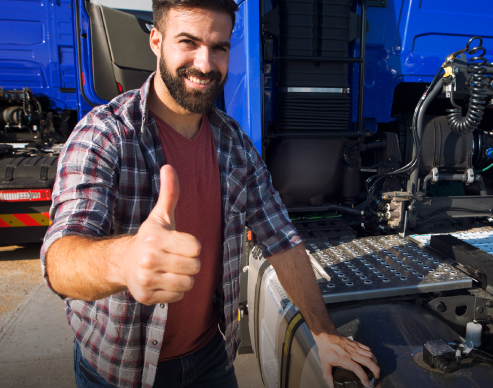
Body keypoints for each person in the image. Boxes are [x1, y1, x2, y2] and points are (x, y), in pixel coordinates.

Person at [39, 1, 380, 387]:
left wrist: (323, 332)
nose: (204, 64)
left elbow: (282, 239)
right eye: (188, 42)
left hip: (210, 361)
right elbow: (59, 261)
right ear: (156, 40)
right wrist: (124, 260)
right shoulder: (105, 134)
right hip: (118, 372)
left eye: (219, 47)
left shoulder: (233, 143)